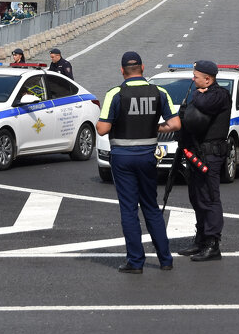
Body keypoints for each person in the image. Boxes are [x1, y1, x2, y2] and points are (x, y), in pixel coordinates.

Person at [97, 51, 175, 273]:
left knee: (129, 209)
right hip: (148, 155)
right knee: (151, 206)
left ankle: (135, 261)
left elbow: (103, 129)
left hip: (122, 156)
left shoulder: (115, 93)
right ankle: (165, 259)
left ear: (122, 70)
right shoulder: (159, 91)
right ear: (143, 67)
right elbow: (176, 123)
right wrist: (155, 127)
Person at [161, 59, 231, 261]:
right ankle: (200, 239)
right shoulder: (202, 93)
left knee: (209, 198)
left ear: (208, 79)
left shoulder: (220, 95)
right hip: (195, 153)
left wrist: (198, 95)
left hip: (211, 155)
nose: (193, 80)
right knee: (197, 198)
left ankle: (212, 244)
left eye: (196, 77)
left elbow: (203, 104)